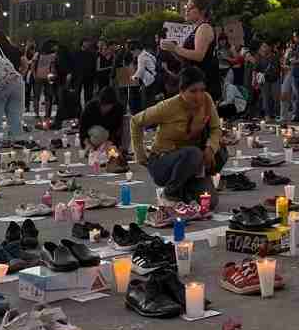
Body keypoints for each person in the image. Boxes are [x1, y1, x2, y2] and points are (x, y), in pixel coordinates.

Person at [130, 66, 224, 206]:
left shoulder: (206, 100)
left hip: (193, 164)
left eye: (202, 90)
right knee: (194, 153)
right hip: (164, 162)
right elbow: (135, 121)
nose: (199, 96)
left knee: (209, 203)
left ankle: (185, 189)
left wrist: (210, 148)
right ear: (181, 91)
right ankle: (170, 193)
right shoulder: (167, 107)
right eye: (193, 91)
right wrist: (141, 156)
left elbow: (215, 128)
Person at [161, 0, 220, 105]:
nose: (186, 10)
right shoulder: (196, 29)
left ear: (202, 11)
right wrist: (172, 50)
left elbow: (199, 55)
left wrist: (175, 48)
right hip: (192, 82)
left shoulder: (204, 28)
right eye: (186, 7)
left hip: (200, 83)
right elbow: (187, 59)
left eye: (189, 7)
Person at [80, 86, 124, 160]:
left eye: (108, 106)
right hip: (94, 134)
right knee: (100, 133)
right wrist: (88, 145)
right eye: (103, 106)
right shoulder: (90, 107)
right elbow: (82, 130)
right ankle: (94, 149)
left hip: (109, 136)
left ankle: (119, 149)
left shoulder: (118, 108)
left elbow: (117, 129)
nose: (105, 108)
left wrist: (110, 142)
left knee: (127, 122)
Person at [254, 42, 281, 121]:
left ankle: (277, 114)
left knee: (275, 98)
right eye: (263, 46)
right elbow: (256, 69)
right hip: (265, 81)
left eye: (266, 46)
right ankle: (267, 115)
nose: (264, 48)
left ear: (269, 48)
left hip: (274, 80)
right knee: (265, 98)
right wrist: (255, 79)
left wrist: (266, 74)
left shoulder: (274, 57)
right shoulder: (259, 58)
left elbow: (277, 70)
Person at [129, 39, 157, 113]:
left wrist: (133, 77)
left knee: (145, 102)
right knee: (151, 100)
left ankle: (147, 118)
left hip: (149, 81)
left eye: (133, 52)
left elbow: (140, 71)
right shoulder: (148, 54)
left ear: (136, 50)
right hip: (154, 78)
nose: (133, 55)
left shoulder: (140, 57)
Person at [30, 43, 56, 120]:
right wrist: (34, 75)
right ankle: (44, 114)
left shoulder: (39, 54)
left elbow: (33, 66)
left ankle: (40, 114)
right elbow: (33, 65)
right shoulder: (39, 54)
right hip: (43, 77)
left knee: (40, 96)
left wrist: (34, 75)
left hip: (43, 77)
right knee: (44, 96)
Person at [74, 38, 98, 107]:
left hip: (89, 77)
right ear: (82, 43)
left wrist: (94, 77)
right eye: (86, 42)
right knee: (77, 94)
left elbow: (94, 66)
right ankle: (78, 110)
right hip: (78, 76)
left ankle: (87, 108)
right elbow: (73, 65)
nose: (88, 44)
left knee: (88, 95)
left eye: (88, 42)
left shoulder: (92, 54)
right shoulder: (76, 53)